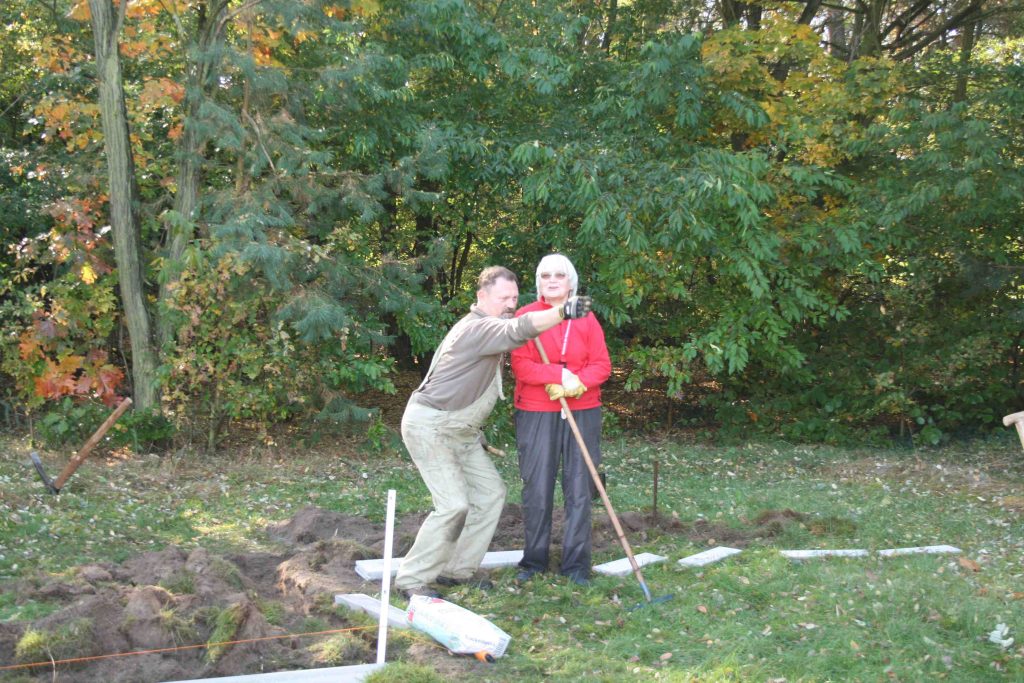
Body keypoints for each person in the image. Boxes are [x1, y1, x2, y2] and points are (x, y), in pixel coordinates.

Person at [394, 265, 593, 600]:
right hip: (431, 427)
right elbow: (520, 329)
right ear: (481, 297)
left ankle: (456, 571)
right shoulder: (477, 329)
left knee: (490, 493)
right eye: (503, 297)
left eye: (515, 297)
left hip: (462, 431)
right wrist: (562, 311)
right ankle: (412, 579)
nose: (510, 304)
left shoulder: (492, 328)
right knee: (454, 505)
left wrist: (473, 427)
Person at [510, 254, 611, 586]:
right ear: (538, 281)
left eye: (559, 275)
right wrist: (557, 374)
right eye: (545, 275)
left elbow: (602, 365)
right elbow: (522, 366)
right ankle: (534, 561)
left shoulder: (587, 318)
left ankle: (576, 564)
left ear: (571, 281)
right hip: (537, 411)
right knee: (537, 486)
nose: (552, 280)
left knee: (580, 487)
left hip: (583, 409)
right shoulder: (526, 317)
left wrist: (577, 383)